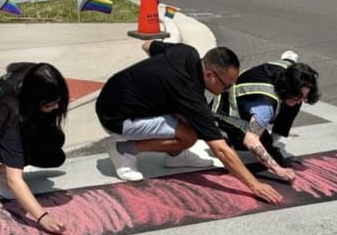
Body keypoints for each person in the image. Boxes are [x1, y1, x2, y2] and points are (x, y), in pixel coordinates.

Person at [95, 41, 283, 205]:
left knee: (189, 120)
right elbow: (221, 150)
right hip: (117, 118)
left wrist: (150, 80)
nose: (228, 91)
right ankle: (124, 149)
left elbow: (148, 45)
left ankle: (176, 157)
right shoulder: (189, 93)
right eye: (226, 86)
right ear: (210, 74)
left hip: (112, 96)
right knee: (189, 134)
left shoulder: (187, 52)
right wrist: (255, 185)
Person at [0, 62, 70, 235]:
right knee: (14, 193)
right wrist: (43, 217)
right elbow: (15, 180)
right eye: (49, 104)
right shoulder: (9, 121)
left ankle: (7, 164)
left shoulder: (31, 73)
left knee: (55, 149)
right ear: (33, 99)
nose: (56, 107)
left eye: (58, 102)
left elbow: (10, 66)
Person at [211, 51, 320, 183]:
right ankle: (224, 134)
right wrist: (278, 169)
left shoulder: (289, 70)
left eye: (305, 96)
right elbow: (251, 141)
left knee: (293, 104)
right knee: (262, 147)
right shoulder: (266, 105)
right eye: (298, 96)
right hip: (224, 112)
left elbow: (290, 61)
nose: (302, 100)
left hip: (251, 99)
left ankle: (271, 141)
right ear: (287, 89)